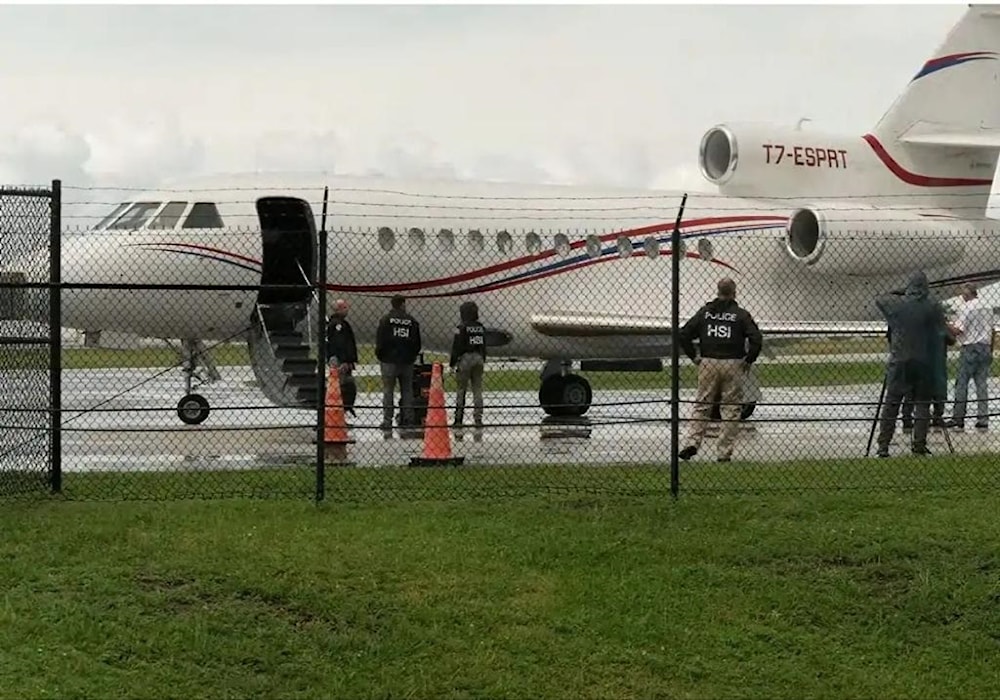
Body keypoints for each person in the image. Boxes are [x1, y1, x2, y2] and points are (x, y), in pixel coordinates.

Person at [677, 277, 763, 462]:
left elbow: (684, 334)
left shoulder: (706, 313)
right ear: (734, 293)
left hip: (708, 361)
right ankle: (724, 452)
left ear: (717, 291)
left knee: (702, 405)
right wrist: (749, 360)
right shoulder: (740, 315)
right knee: (731, 408)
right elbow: (756, 339)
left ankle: (692, 442)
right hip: (733, 362)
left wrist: (694, 356)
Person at [873, 270, 948, 457]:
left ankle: (883, 445)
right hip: (924, 361)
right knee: (922, 404)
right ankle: (918, 444)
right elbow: (942, 331)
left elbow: (880, 299)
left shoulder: (897, 306)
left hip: (900, 360)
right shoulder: (932, 307)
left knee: (892, 404)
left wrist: (900, 292)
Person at [945, 283, 994, 432]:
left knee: (962, 383)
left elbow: (958, 330)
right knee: (981, 384)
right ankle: (983, 419)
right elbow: (991, 330)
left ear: (967, 294)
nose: (962, 296)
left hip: (970, 347)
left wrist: (944, 323)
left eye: (963, 293)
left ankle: (958, 418)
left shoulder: (967, 307)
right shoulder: (987, 307)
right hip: (985, 346)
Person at [375, 294, 422, 438]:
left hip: (389, 360)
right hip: (407, 360)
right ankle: (408, 419)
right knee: (407, 390)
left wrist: (381, 355)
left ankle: (387, 420)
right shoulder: (412, 321)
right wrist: (412, 355)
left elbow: (380, 341)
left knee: (388, 390)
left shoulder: (386, 320)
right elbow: (417, 343)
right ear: (402, 304)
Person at [900, 322, 954, 433]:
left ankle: (908, 416)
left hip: (921, 360)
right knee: (937, 388)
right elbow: (951, 339)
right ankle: (936, 415)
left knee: (914, 389)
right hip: (936, 362)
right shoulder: (939, 325)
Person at [449, 300, 487, 436]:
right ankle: (478, 417)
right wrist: (483, 358)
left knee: (461, 389)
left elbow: (457, 347)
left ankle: (458, 418)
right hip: (478, 357)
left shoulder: (461, 328)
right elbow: (483, 345)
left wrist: (452, 363)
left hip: (465, 358)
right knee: (477, 389)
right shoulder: (481, 327)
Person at [325, 298, 358, 417]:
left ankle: (341, 413)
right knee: (344, 387)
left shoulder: (334, 323)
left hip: (338, 359)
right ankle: (340, 413)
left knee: (344, 386)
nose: (347, 310)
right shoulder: (338, 325)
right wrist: (345, 360)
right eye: (344, 308)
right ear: (338, 309)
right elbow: (341, 343)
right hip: (340, 360)